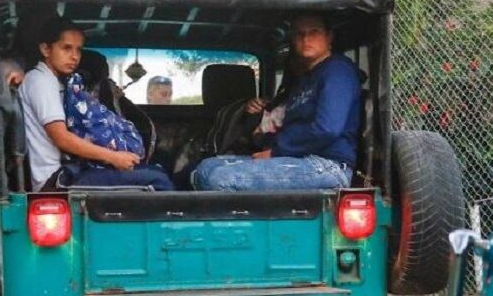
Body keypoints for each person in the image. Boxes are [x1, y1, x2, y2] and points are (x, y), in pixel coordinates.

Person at [192, 14, 360, 192]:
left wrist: (276, 151)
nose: (306, 39)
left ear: (329, 36)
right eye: (299, 34)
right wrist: (260, 131)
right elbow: (287, 126)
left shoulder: (338, 71)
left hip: (327, 165)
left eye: (314, 32)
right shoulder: (304, 80)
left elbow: (327, 129)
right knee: (206, 168)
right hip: (296, 158)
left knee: (221, 178)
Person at [19, 16, 173, 191]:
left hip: (71, 170)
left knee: (155, 171)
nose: (74, 57)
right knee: (159, 181)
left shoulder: (58, 82)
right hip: (57, 178)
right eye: (66, 48)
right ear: (46, 49)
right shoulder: (41, 81)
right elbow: (61, 138)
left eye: (78, 50)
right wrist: (113, 157)